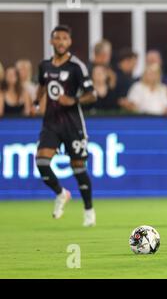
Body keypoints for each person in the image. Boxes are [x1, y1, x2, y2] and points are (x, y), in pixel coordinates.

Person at [33, 25, 97, 226]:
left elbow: (92, 94)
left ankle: (88, 211)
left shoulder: (76, 66)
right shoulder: (44, 66)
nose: (61, 42)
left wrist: (73, 100)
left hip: (72, 124)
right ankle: (61, 193)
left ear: (69, 42)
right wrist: (36, 103)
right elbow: (42, 87)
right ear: (51, 41)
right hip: (51, 123)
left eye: (64, 39)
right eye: (57, 38)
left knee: (78, 167)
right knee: (42, 162)